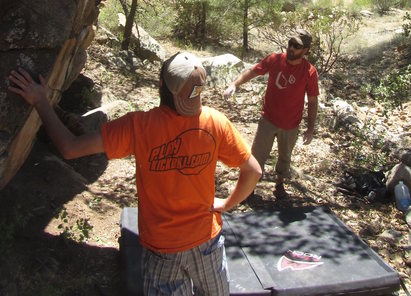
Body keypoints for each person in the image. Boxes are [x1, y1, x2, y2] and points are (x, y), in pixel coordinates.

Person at [8, 52, 261, 295]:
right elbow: (253, 170)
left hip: (163, 249)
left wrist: (41, 101)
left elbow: (70, 147)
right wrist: (227, 204)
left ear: (161, 84)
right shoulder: (216, 122)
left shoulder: (138, 126)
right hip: (208, 242)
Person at [223, 28, 319, 199]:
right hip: (268, 119)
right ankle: (249, 188)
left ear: (305, 51)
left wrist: (310, 129)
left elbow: (312, 101)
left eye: (296, 46)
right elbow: (253, 71)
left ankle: (279, 184)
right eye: (290, 43)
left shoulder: (309, 72)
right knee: (256, 155)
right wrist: (234, 84)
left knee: (285, 158)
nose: (291, 48)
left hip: (291, 125)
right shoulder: (275, 59)